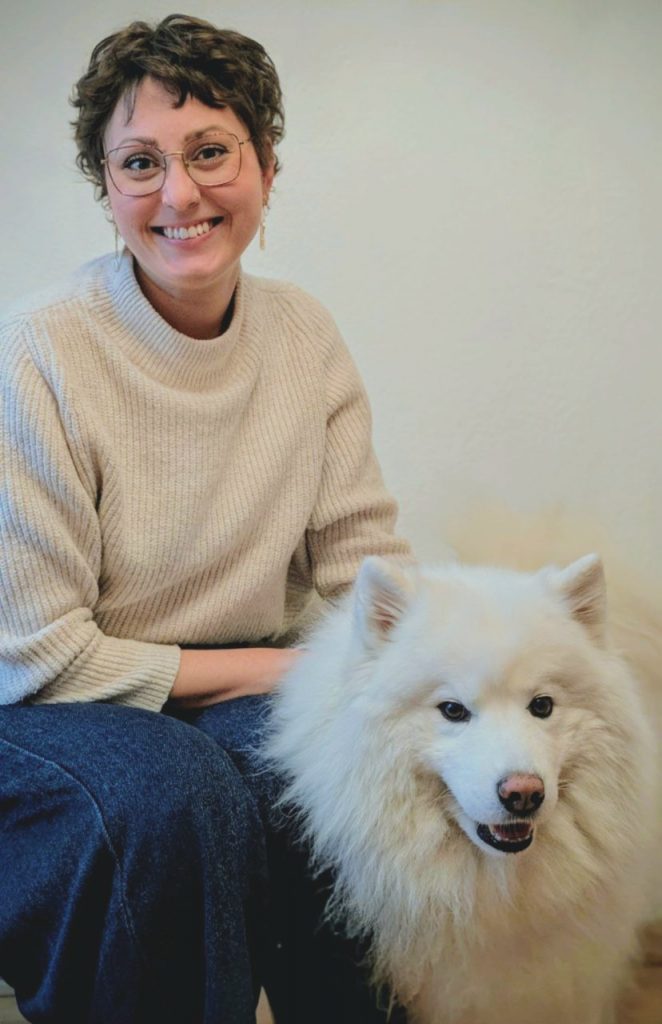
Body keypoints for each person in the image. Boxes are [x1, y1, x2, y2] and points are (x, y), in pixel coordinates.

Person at [0, 14, 411, 1024]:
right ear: (107, 189)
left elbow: (366, 572)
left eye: (211, 152)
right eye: (140, 162)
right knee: (174, 797)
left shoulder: (303, 334)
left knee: (348, 762)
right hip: (41, 705)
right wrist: (287, 670)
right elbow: (40, 658)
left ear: (267, 166)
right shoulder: (38, 352)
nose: (179, 194)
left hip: (215, 683)